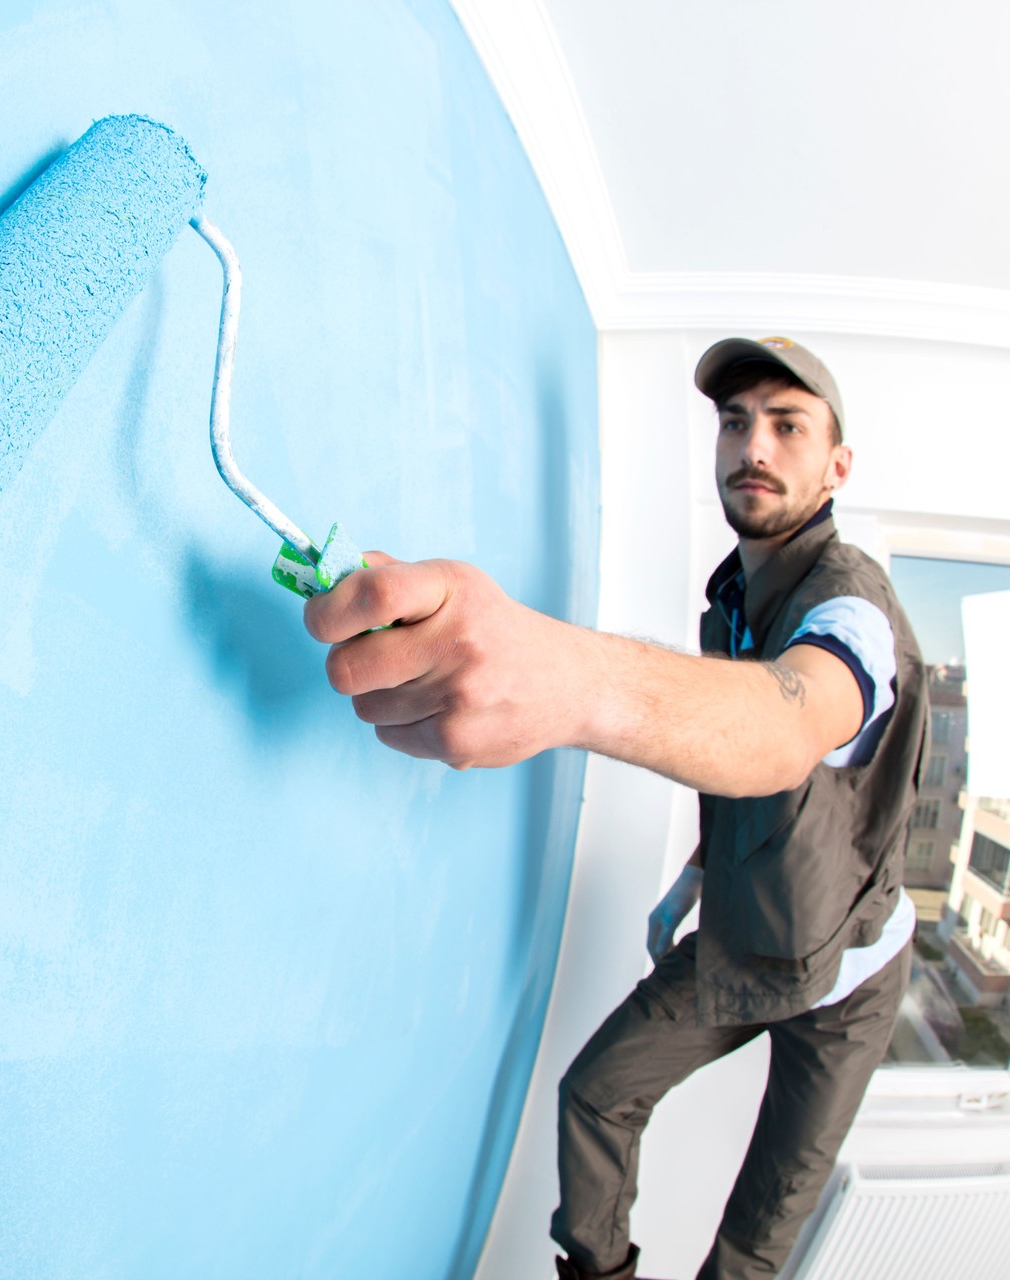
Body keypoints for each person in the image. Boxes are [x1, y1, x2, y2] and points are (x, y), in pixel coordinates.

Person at [303, 337, 926, 1280]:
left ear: (838, 466)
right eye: (734, 421)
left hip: (853, 978)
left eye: (787, 425)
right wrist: (700, 874)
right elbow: (746, 771)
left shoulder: (854, 607)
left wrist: (571, 683)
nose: (753, 444)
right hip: (749, 941)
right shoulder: (731, 602)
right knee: (595, 1097)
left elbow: (789, 723)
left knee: (755, 1244)